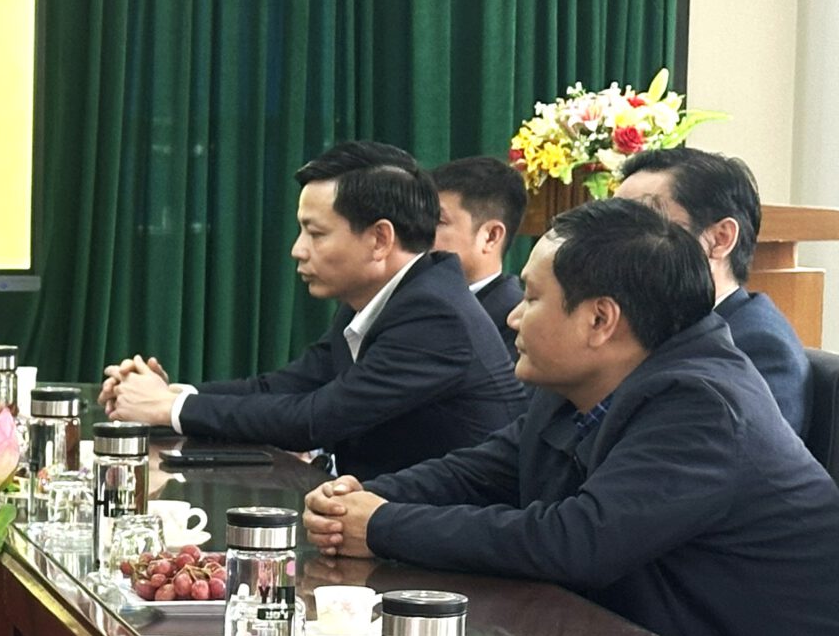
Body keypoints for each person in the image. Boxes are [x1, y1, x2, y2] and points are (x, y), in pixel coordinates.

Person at [302, 199, 839, 636]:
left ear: (600, 319)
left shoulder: (703, 405)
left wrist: (383, 525)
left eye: (532, 297)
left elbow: (576, 541)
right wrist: (360, 499)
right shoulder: (581, 380)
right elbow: (484, 471)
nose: (512, 315)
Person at [103, 142, 524, 478]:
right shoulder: (382, 296)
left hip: (438, 542)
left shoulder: (436, 315)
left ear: (380, 239)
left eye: (315, 234)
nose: (297, 250)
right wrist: (173, 394)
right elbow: (284, 386)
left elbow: (315, 419)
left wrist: (167, 409)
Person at [614, 146, 808, 433]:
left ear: (720, 238)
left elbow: (723, 454)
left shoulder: (757, 347)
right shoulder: (649, 324)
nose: (613, 244)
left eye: (642, 225)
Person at [429, 155, 526, 356]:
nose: (420, 232)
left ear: (491, 237)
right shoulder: (412, 302)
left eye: (438, 221)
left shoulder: (516, 327)